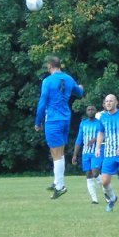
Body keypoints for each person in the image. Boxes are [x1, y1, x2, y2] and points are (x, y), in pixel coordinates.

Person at [35, 56, 84, 199]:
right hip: (65, 119)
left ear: (49, 66)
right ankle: (57, 181)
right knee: (59, 152)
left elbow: (42, 102)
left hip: (53, 120)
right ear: (60, 65)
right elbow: (79, 93)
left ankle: (60, 186)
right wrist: (81, 87)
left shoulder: (47, 81)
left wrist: (38, 122)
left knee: (56, 154)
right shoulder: (68, 78)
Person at [72, 105, 104, 204]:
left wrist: (95, 139)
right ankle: (94, 199)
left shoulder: (100, 123)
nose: (90, 111)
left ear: (96, 111)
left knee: (95, 173)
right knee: (89, 175)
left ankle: (107, 191)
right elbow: (79, 139)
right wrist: (75, 155)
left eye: (92, 109)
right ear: (86, 112)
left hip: (97, 151)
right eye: (88, 110)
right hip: (85, 153)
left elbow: (105, 135)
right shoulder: (83, 123)